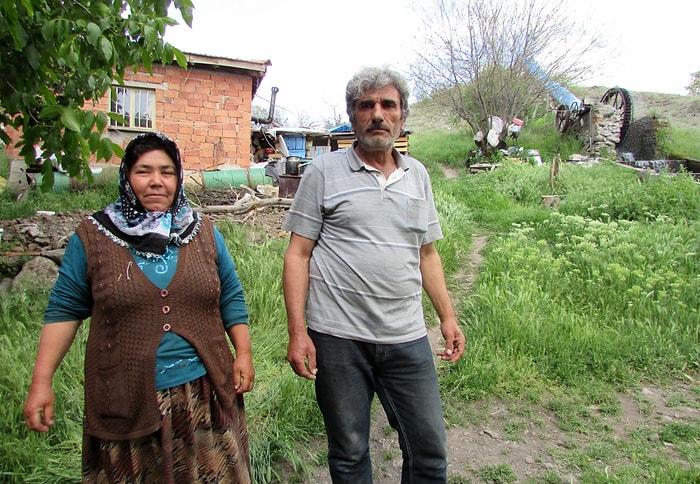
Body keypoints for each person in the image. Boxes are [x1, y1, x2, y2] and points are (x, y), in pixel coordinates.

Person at [23, 132, 254, 483]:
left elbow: (231, 295)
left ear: (178, 178)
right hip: (125, 398)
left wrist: (244, 352)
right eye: (144, 171)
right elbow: (64, 310)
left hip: (203, 395)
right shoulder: (95, 237)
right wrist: (42, 382)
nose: (157, 182)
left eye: (167, 171)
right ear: (127, 177)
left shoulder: (203, 231)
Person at [282, 66, 466, 483]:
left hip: (406, 335)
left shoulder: (417, 175)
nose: (378, 114)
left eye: (388, 105)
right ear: (353, 117)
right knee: (348, 452)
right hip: (338, 338)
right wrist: (298, 332)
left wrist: (447, 317)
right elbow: (298, 255)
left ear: (402, 117)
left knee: (429, 451)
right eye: (367, 106)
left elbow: (427, 252)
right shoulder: (323, 172)